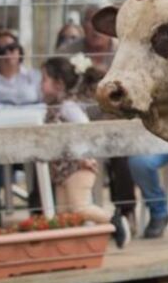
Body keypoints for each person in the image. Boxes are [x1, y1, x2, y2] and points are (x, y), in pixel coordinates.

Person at [58, 3, 139, 226]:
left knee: (121, 151)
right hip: (77, 124)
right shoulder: (68, 52)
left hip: (115, 118)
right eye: (89, 22)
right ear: (83, 25)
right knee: (55, 149)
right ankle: (60, 215)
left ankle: (125, 211)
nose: (94, 29)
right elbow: (59, 87)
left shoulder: (124, 50)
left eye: (99, 22)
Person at [40, 55, 130, 248]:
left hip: (78, 167)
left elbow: (84, 128)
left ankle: (114, 220)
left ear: (58, 83)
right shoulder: (52, 107)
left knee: (80, 208)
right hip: (62, 170)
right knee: (64, 214)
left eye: (44, 80)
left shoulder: (67, 107)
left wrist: (84, 156)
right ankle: (71, 247)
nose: (41, 85)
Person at [0, 30, 41, 106]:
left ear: (19, 51)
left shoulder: (35, 76)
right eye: (0, 50)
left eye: (11, 48)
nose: (7, 53)